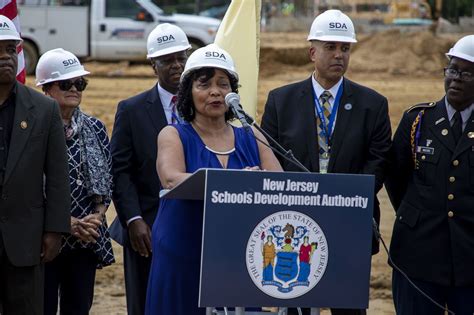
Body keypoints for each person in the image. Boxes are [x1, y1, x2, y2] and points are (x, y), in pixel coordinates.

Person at [261, 9, 392, 315]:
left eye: (345, 48)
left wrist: (344, 197)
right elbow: (270, 157)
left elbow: (379, 160)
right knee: (295, 302)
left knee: (347, 305)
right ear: (312, 52)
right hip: (294, 222)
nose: (339, 55)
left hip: (350, 221)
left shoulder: (373, 104)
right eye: (331, 47)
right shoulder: (280, 100)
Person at [145, 43, 282, 315]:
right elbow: (171, 179)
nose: (216, 91)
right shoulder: (173, 134)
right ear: (189, 93)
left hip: (236, 254)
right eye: (204, 84)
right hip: (183, 249)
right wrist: (234, 182)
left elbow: (278, 183)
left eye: (223, 84)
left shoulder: (251, 136)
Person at [385, 35, 474, 315]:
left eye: (467, 72)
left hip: (469, 260)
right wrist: (419, 213)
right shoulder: (418, 121)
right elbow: (396, 178)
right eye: (452, 70)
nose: (456, 79)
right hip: (418, 255)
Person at [109, 23, 191, 315]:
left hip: (194, 226)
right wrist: (133, 219)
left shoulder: (206, 106)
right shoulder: (131, 110)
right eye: (168, 60)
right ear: (152, 64)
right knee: (145, 305)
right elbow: (119, 170)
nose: (177, 65)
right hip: (145, 231)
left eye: (181, 57)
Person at [35, 48, 115, 315]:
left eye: (79, 83)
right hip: (44, 240)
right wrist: (64, 222)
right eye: (66, 83)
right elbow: (25, 186)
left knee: (79, 307)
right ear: (46, 88)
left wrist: (96, 217)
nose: (74, 88)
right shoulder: (32, 129)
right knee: (41, 306)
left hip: (85, 241)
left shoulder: (95, 128)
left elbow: (107, 182)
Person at [0, 16, 70, 314]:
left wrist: (55, 230)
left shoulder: (44, 109)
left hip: (25, 244)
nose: (5, 57)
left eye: (10, 49)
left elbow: (57, 175)